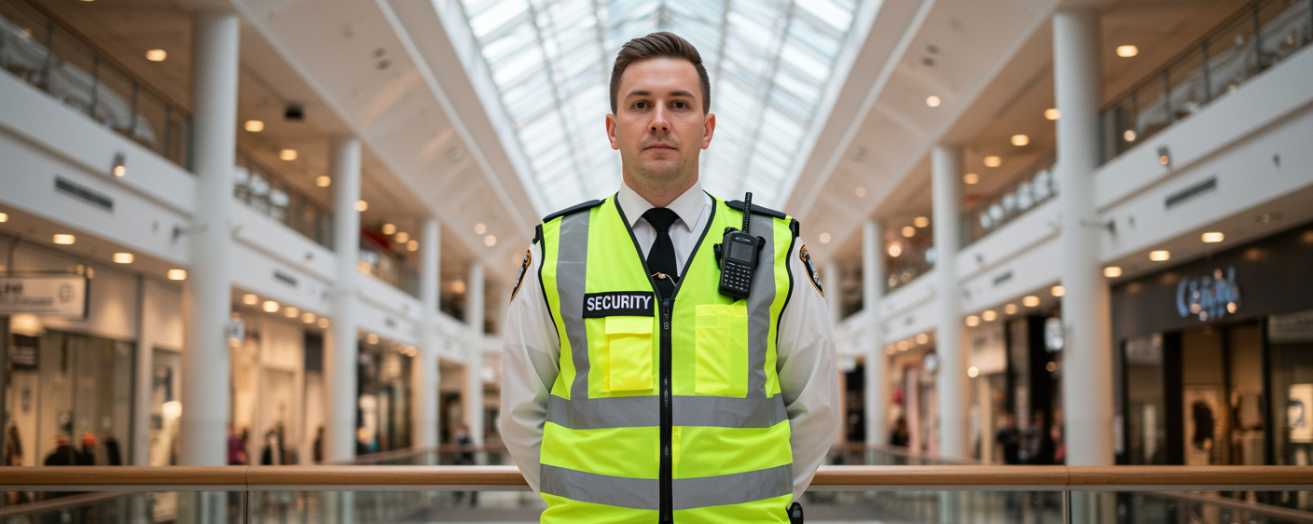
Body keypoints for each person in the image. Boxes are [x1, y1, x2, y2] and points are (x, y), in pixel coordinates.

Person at [499, 31, 838, 523]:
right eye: (640, 105)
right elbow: (519, 412)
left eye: (679, 104)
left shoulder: (776, 248)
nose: (659, 121)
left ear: (708, 128)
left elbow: (816, 407)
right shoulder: (558, 249)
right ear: (613, 130)